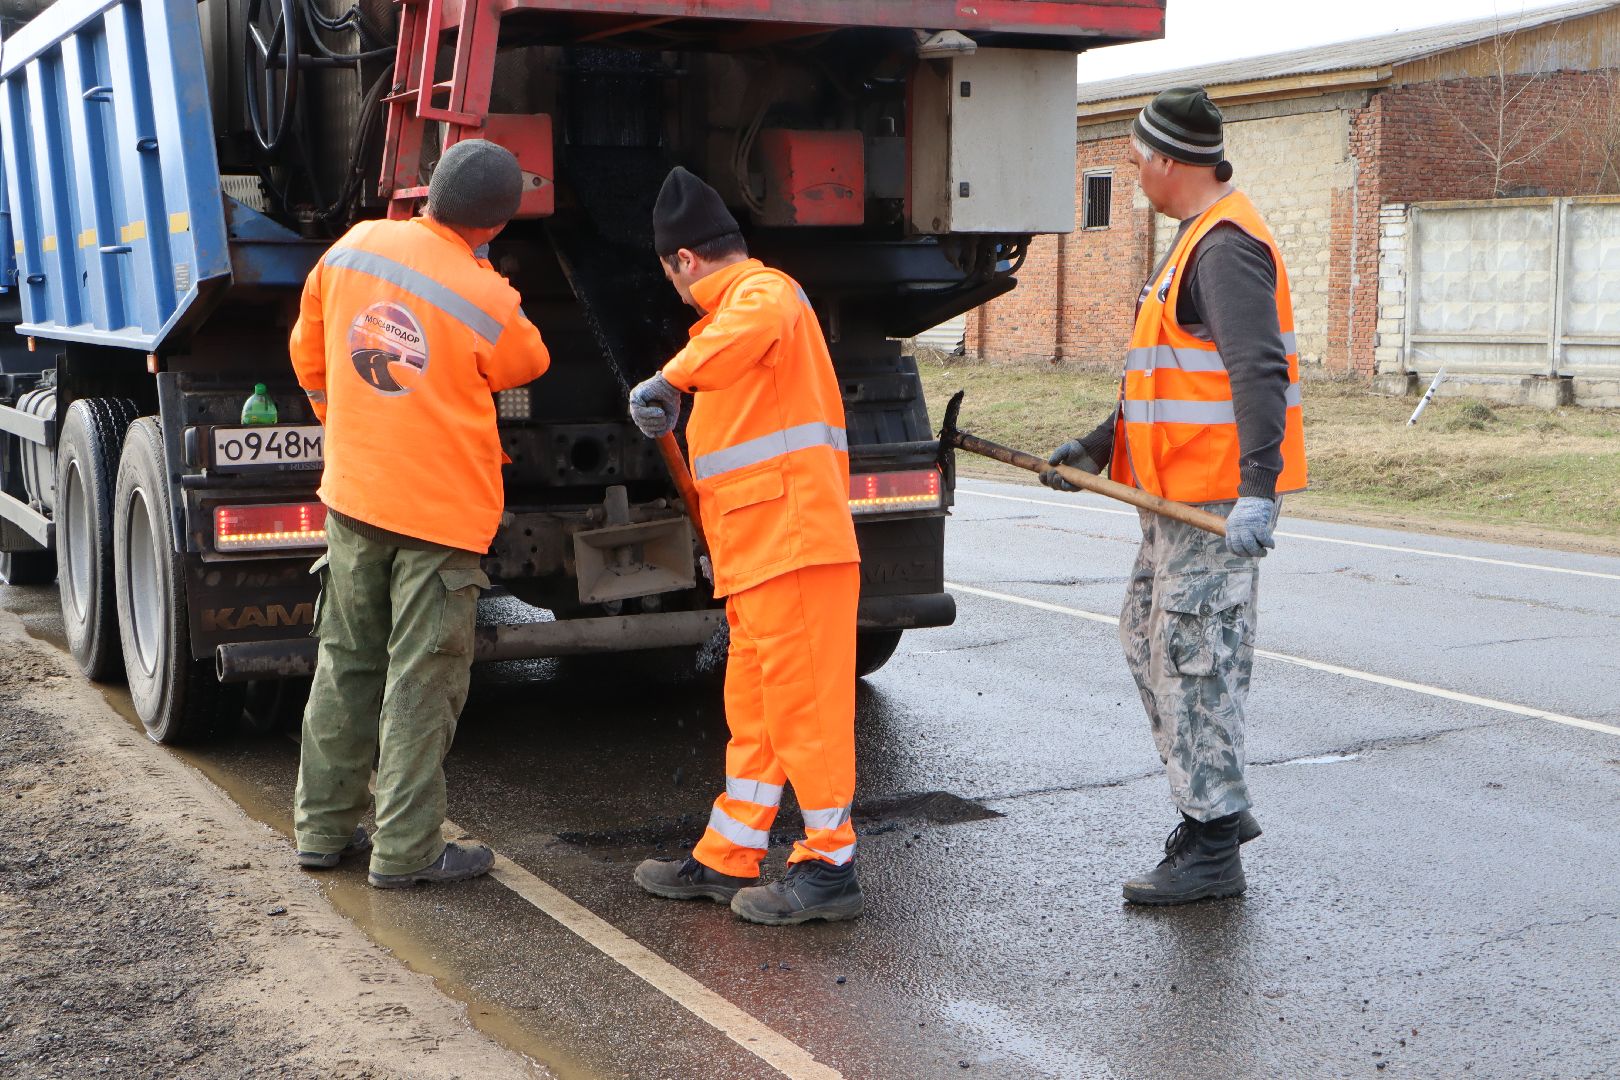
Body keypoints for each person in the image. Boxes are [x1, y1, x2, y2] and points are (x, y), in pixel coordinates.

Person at [1042, 87, 1306, 906]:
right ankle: (1214, 805)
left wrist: (1259, 489)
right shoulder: (1189, 242)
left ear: (1167, 161)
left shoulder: (1225, 248)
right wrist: (1095, 444)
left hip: (1213, 506)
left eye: (1135, 161)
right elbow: (1161, 378)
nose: (1133, 176)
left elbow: (1256, 369)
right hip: (1168, 503)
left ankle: (1212, 841)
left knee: (1195, 663)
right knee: (1144, 640)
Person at [287, 139, 550, 889]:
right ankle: (404, 852)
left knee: (345, 661)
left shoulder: (354, 247)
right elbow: (527, 363)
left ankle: (321, 829)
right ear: (496, 224)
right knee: (420, 678)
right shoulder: (484, 293)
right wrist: (485, 277)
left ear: (427, 191)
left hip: (354, 495)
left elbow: (309, 351)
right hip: (437, 514)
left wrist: (346, 421)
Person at [626, 167, 865, 925]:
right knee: (758, 712)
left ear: (684, 261)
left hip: (793, 545)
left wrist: (669, 378)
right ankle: (729, 853)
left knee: (807, 712)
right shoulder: (731, 331)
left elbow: (752, 324)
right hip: (761, 552)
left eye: (671, 274)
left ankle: (830, 863)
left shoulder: (762, 296)